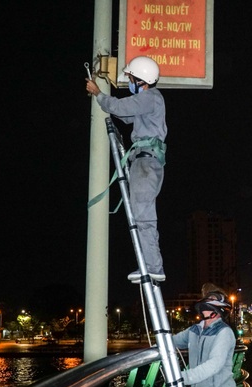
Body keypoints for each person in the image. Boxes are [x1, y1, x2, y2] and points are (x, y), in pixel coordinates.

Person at [85, 56, 167, 283]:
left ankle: (153, 266)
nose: (129, 81)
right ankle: (150, 265)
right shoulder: (148, 101)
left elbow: (120, 106)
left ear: (142, 80)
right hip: (145, 161)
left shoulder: (151, 97)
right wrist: (104, 101)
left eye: (131, 78)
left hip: (146, 162)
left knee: (143, 217)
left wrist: (98, 94)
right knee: (141, 215)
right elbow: (125, 114)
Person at [172, 291, 237, 387]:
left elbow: (214, 364)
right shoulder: (195, 330)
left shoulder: (224, 332)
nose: (207, 301)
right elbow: (172, 341)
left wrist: (182, 377)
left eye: (212, 299)